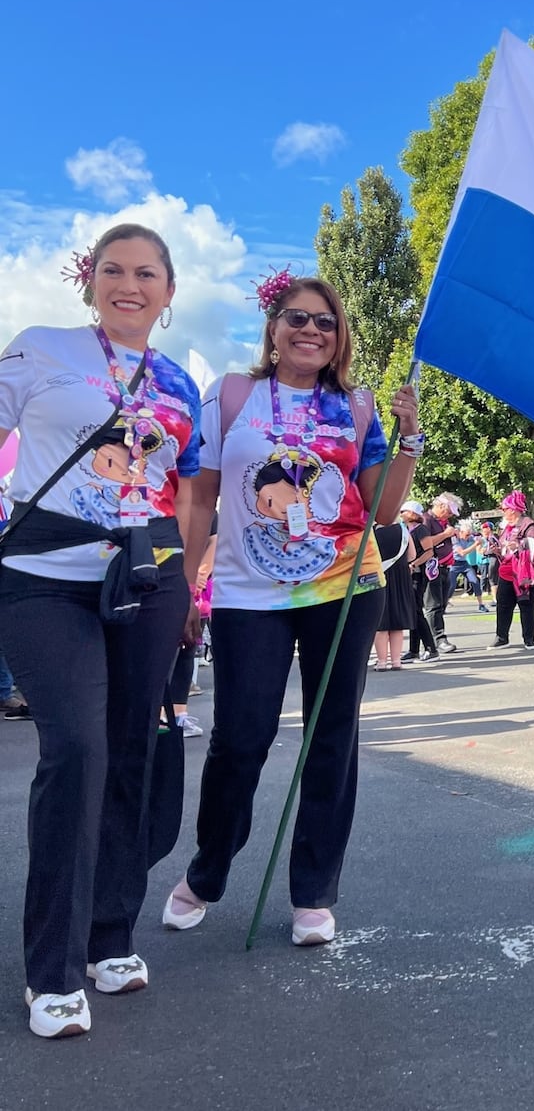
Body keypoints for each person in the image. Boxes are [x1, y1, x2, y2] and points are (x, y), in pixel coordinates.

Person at [162, 271, 420, 949]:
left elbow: (382, 510)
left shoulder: (358, 406)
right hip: (250, 592)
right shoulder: (233, 394)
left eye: (326, 322)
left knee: (331, 737)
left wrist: (409, 438)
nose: (311, 330)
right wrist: (189, 584)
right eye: (297, 319)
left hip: (344, 587)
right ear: (273, 330)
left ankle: (314, 890)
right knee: (241, 736)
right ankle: (207, 870)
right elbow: (201, 498)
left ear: (340, 339)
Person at [0, 223, 201, 1037]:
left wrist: (192, 579)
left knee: (130, 751)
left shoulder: (183, 383)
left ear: (169, 290)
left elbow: (186, 492)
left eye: (146, 272)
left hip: (147, 580)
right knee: (77, 749)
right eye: (113, 269)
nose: (130, 284)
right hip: (43, 577)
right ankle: (50, 966)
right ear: (90, 280)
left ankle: (109, 933)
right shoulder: (40, 347)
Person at [488, 490, 534, 650]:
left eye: (504, 509)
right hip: (506, 572)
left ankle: (529, 639)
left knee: (526, 605)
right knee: (503, 605)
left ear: (513, 509)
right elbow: (504, 548)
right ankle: (501, 637)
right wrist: (497, 550)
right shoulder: (506, 528)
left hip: (524, 573)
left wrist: (519, 546)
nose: (503, 512)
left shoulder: (528, 524)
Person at [374, 514, 417, 670]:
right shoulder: (403, 530)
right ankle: (396, 661)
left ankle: (381, 661)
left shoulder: (372, 531)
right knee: (397, 622)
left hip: (379, 576)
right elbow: (412, 555)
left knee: (381, 623)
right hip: (400, 577)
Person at [399, 501, 441, 660]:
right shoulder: (407, 529)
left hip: (418, 574)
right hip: (411, 573)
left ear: (413, 514)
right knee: (413, 610)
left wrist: (414, 563)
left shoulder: (420, 530)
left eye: (405, 511)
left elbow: (429, 551)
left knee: (416, 610)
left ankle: (431, 649)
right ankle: (414, 649)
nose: (401, 513)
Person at [422, 492, 463, 652]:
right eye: (449, 511)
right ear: (440, 506)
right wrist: (445, 534)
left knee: (441, 604)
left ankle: (434, 637)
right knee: (433, 605)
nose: (450, 515)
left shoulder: (442, 522)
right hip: (432, 567)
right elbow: (425, 542)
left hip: (445, 567)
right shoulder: (426, 520)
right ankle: (438, 639)